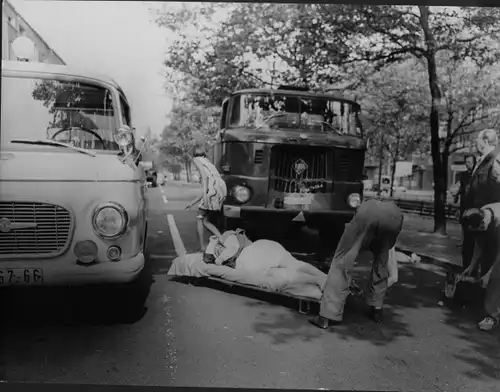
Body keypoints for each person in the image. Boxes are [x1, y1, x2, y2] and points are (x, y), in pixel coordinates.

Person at [309, 199, 404, 329]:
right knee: (381, 262)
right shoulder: (389, 210)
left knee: (341, 262)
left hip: (368, 215)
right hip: (395, 217)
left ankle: (326, 316)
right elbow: (387, 250)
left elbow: (353, 244)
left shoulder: (363, 211)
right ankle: (377, 309)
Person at [461, 129, 500, 276]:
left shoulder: (495, 160)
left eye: (477, 140)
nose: (475, 142)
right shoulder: (484, 160)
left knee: (489, 265)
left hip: (493, 221)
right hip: (481, 220)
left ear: (486, 141)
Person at [461, 204, 500, 331]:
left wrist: (489, 274)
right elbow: (479, 243)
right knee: (489, 275)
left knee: (495, 278)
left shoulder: (498, 220)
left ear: (482, 224)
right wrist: (471, 266)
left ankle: (493, 317)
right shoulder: (481, 213)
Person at [186, 148, 227, 252]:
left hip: (212, 189)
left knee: (200, 218)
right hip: (221, 189)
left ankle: (202, 247)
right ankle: (222, 240)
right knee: (206, 220)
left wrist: (204, 193)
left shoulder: (197, 160)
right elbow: (210, 185)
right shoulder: (209, 163)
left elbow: (205, 179)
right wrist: (193, 202)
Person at [454, 154, 477, 274]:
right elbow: (461, 190)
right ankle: (465, 265)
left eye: (470, 162)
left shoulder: (477, 176)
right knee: (466, 241)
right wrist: (456, 196)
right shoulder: (463, 175)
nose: (468, 165)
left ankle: (472, 267)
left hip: (474, 212)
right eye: (466, 162)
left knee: (473, 240)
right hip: (464, 210)